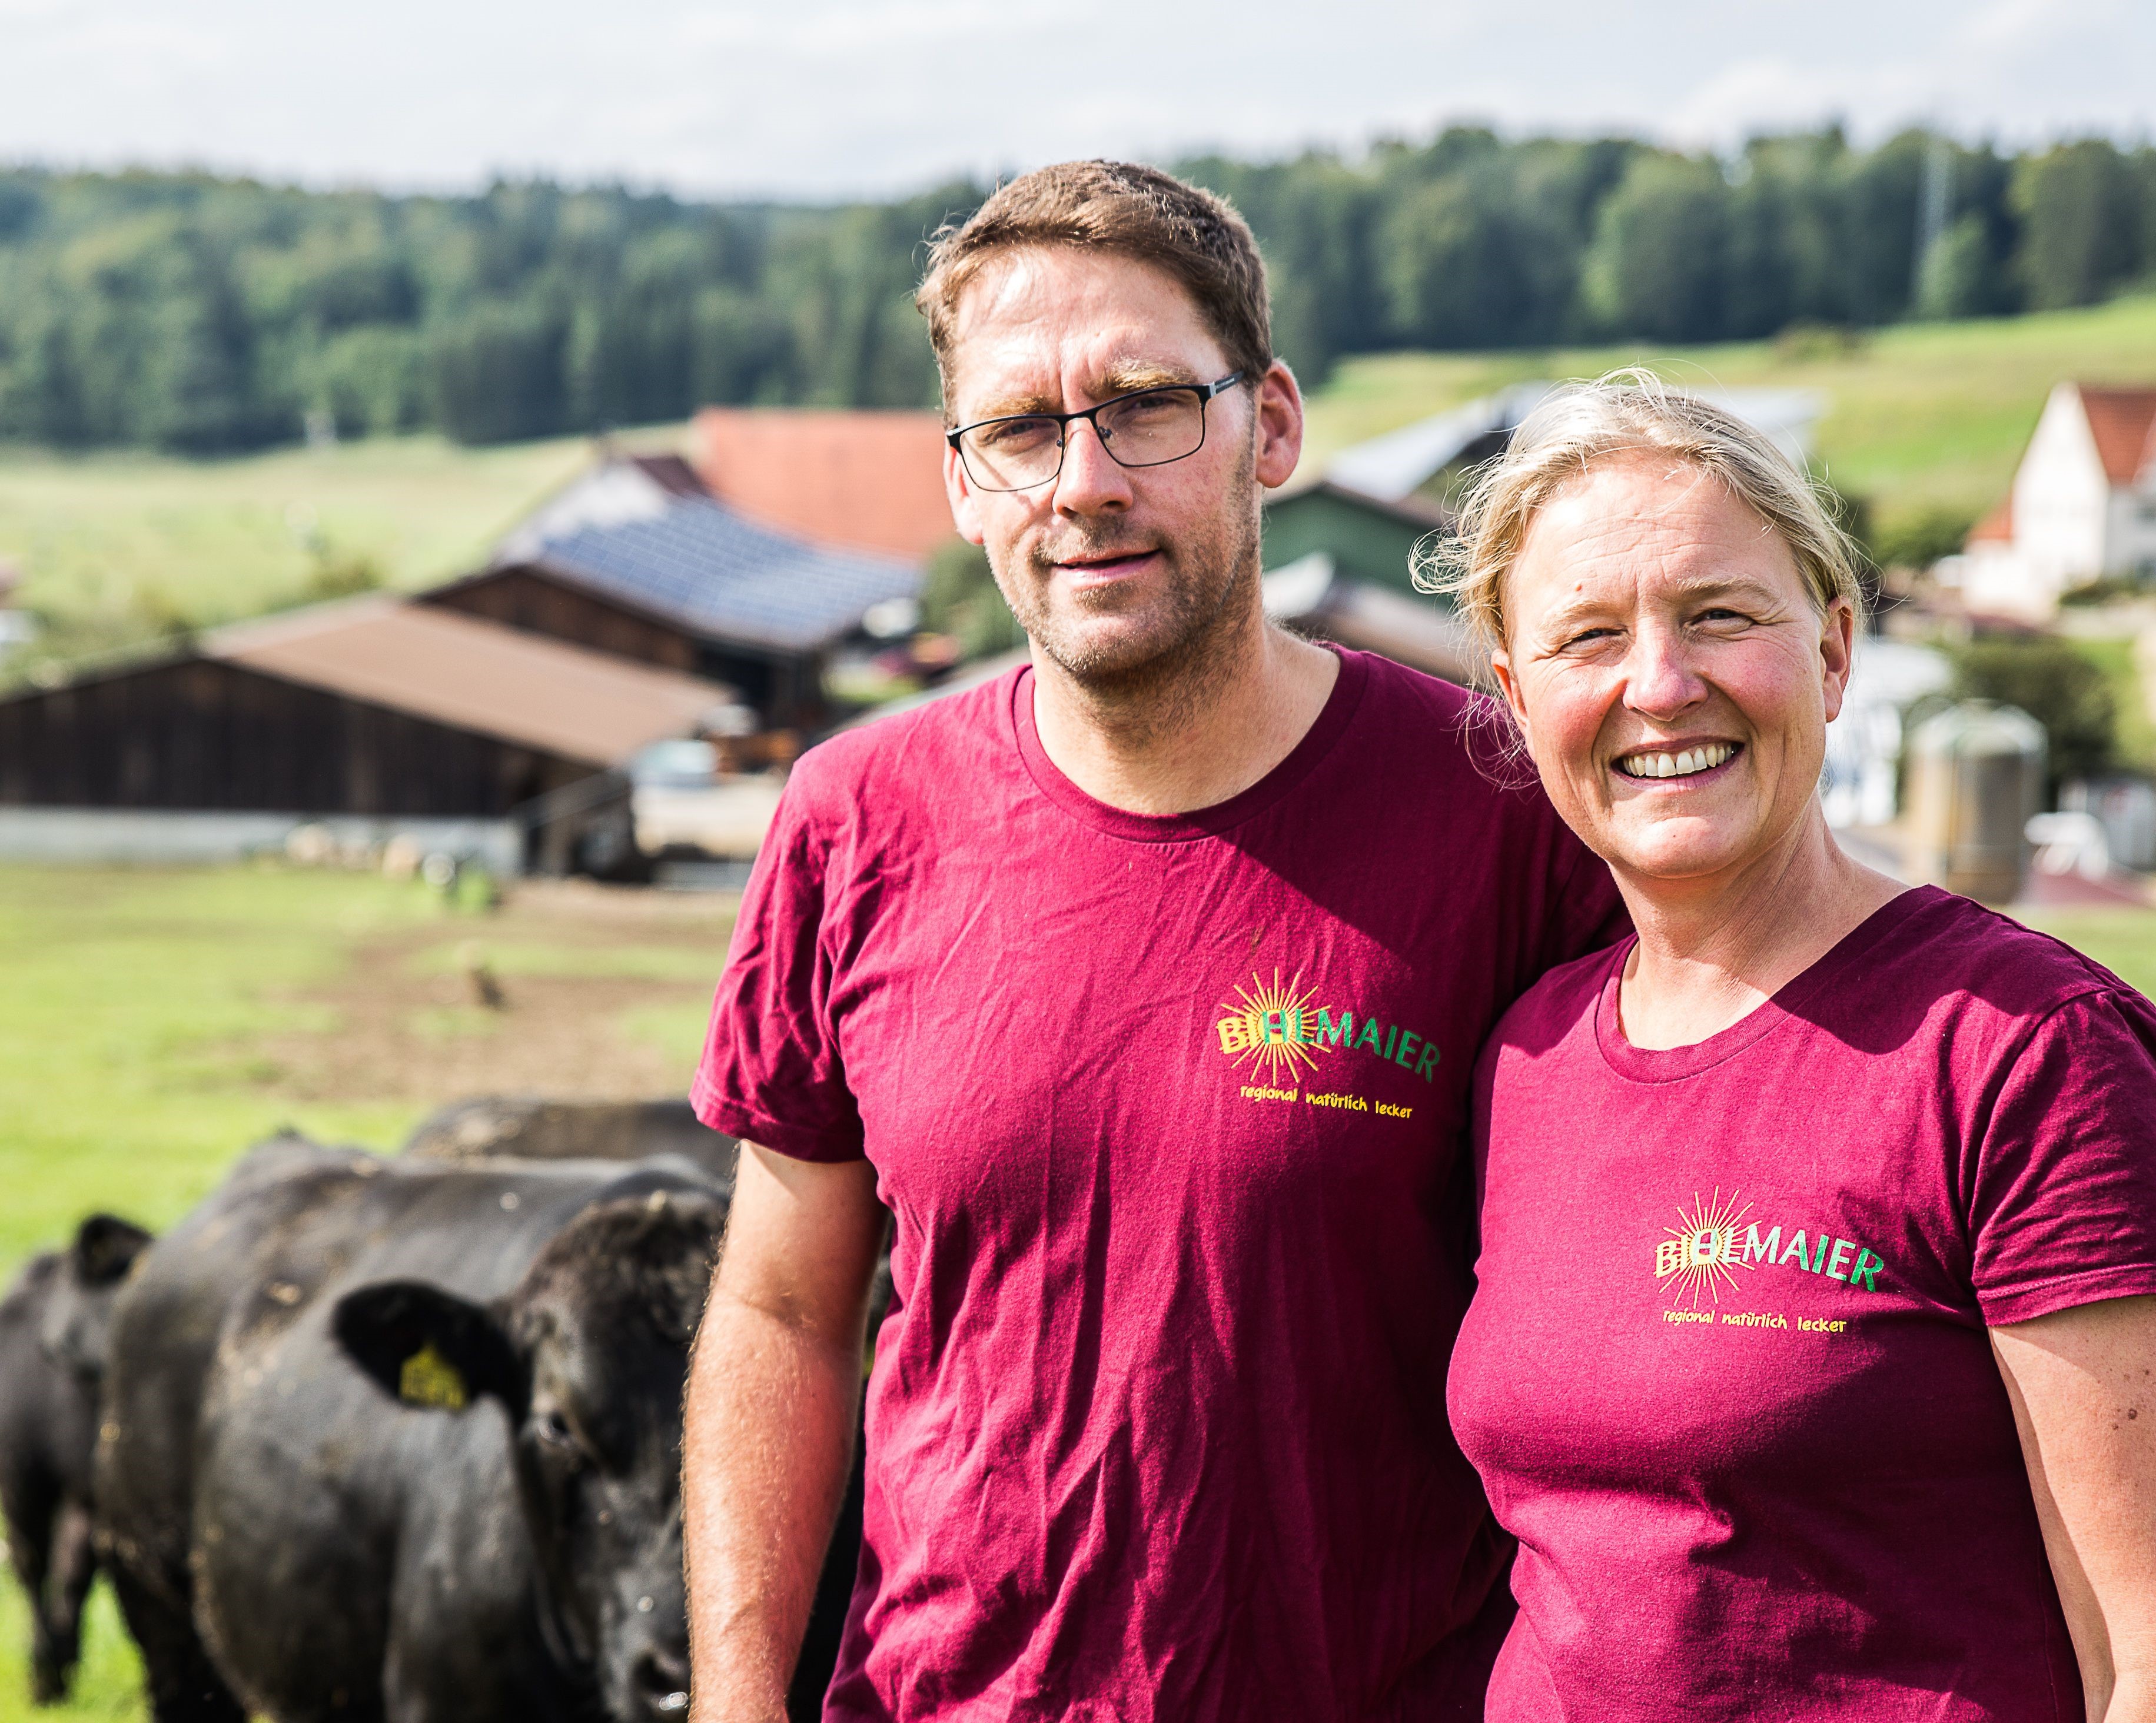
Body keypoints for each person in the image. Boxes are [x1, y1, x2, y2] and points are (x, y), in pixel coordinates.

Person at [680, 160, 1625, 1721]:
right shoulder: (852, 819)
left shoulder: (1504, 819)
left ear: (1271, 426)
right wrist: (736, 1697)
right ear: (964, 480)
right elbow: (783, 1309)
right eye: (1023, 430)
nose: (1085, 481)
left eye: (1144, 407)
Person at [1436, 375, 2156, 1722]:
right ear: (1521, 699)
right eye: (1589, 637)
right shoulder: (1527, 1055)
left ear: (1830, 651)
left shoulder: (2037, 1058)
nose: (1660, 684)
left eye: (1719, 616)